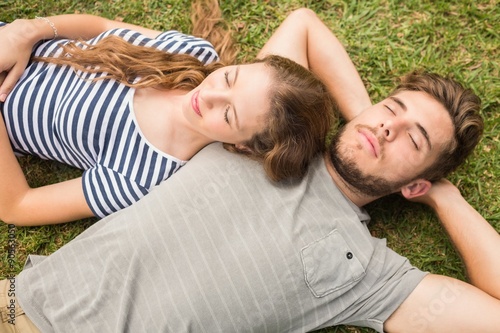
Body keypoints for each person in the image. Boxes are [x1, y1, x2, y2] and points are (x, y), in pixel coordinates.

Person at [1, 7, 498, 333]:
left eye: (414, 139)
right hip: (18, 307)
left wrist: (443, 196)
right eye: (391, 109)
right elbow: (304, 23)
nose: (389, 128)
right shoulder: (263, 136)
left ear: (416, 181)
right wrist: (365, 121)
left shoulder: (370, 273)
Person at [0, 3, 334, 226]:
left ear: (244, 147)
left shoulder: (143, 177)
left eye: (229, 115)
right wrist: (27, 31)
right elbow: (100, 26)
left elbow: (19, 205)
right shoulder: (194, 52)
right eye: (230, 77)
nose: (209, 95)